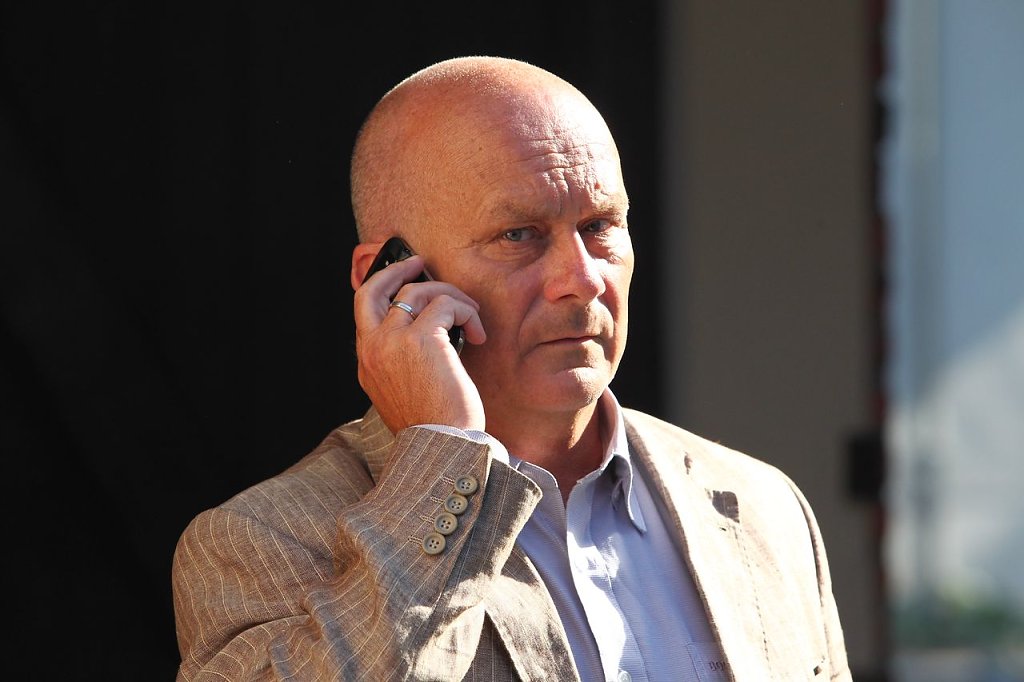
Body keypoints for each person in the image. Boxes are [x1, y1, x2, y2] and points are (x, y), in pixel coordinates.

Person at [172, 56, 850, 681]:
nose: (582, 279)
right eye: (519, 235)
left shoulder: (764, 508)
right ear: (389, 279)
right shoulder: (260, 541)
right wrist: (445, 462)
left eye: (600, 226)